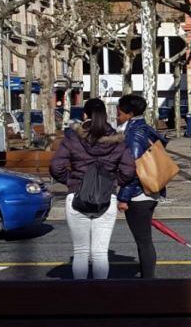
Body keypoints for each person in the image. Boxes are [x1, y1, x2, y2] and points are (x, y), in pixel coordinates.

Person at [49, 98, 136, 279]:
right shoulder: (117, 141)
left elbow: (56, 167)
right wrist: (112, 182)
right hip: (106, 198)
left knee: (80, 251)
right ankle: (100, 297)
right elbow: (129, 170)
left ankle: (81, 296)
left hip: (77, 197)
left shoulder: (72, 138)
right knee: (100, 253)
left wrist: (72, 181)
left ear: (85, 115)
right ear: (105, 115)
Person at [116, 94, 168, 279]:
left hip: (139, 195)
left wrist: (123, 197)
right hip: (150, 191)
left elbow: (133, 167)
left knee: (143, 241)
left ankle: (148, 282)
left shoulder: (133, 133)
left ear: (130, 113)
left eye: (119, 111)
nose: (116, 115)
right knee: (144, 240)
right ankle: (148, 279)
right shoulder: (145, 128)